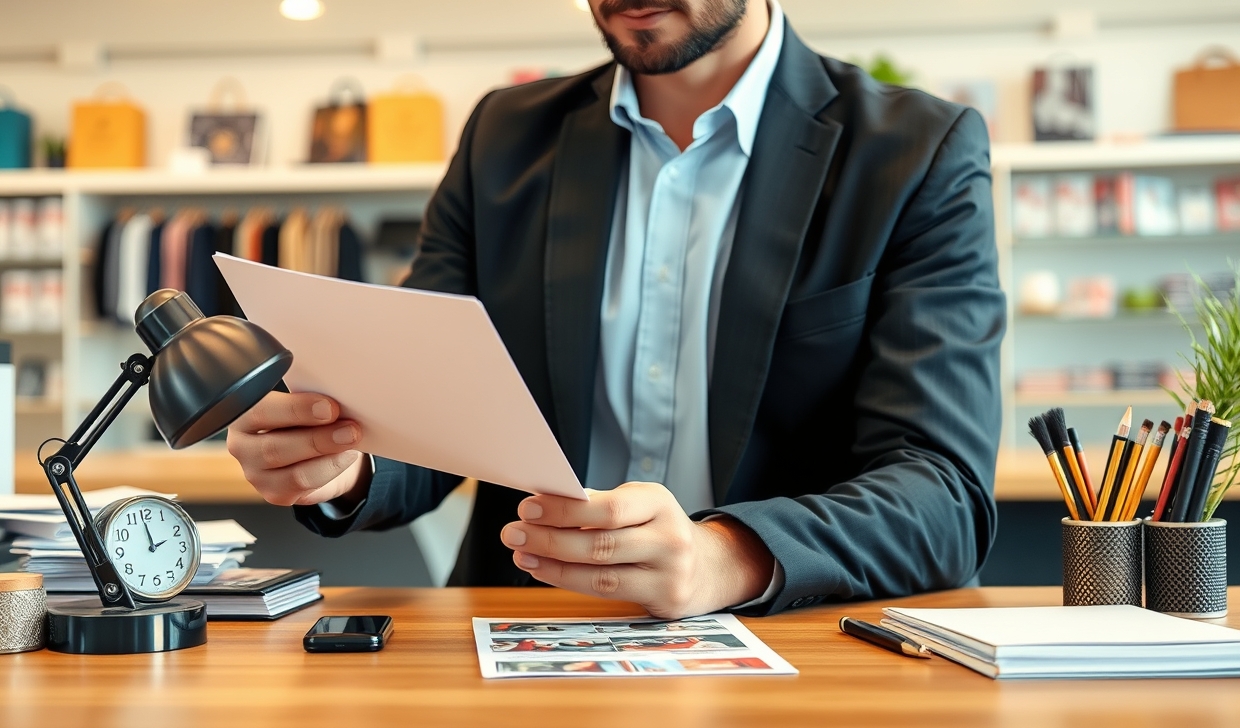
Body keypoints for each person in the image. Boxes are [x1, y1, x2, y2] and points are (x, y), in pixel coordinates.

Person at [226, 0, 1005, 619]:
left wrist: (724, 557)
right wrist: (346, 460)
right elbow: (431, 411)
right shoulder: (504, 136)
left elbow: (943, 492)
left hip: (795, 640)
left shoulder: (915, 150)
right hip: (521, 632)